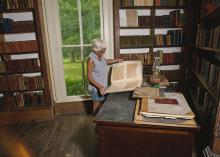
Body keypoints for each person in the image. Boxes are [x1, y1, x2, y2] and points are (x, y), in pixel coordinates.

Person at [87, 38, 122, 115]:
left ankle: (102, 121)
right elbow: (89, 77)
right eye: (102, 51)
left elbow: (104, 61)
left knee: (103, 105)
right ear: (96, 50)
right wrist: (99, 87)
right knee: (96, 105)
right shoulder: (91, 59)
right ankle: (96, 122)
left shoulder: (100, 55)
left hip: (103, 86)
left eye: (104, 50)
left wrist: (116, 60)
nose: (104, 52)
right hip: (96, 88)